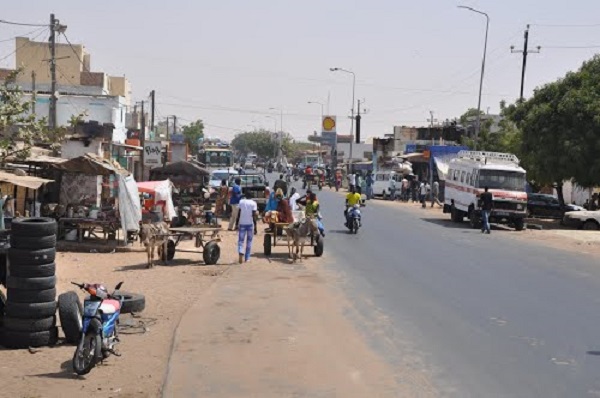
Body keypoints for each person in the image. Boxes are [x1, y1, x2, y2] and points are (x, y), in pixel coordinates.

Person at [237, 192, 258, 263]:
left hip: (242, 223)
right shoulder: (253, 203)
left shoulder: (241, 202)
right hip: (250, 224)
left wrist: (237, 223)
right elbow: (254, 216)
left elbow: (239, 213)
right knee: (249, 241)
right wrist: (255, 227)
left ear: (245, 196)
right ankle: (247, 258)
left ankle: (240, 250)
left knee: (241, 240)